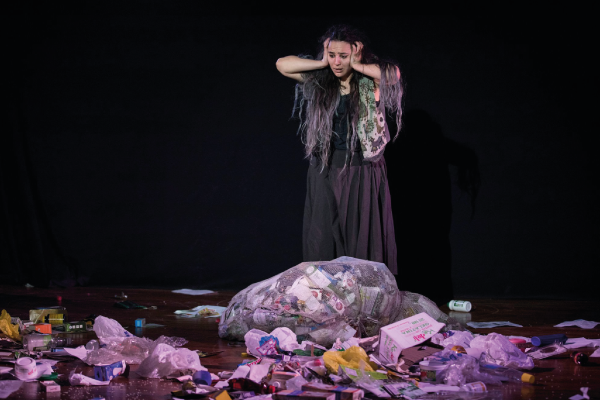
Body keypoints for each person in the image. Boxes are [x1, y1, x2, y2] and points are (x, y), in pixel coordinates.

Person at [276, 24, 403, 275]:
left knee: (359, 236)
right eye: (332, 55)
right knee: (323, 234)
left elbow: (393, 75)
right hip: (325, 167)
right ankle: (328, 290)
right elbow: (282, 65)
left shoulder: (369, 81)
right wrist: (321, 62)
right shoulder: (321, 79)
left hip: (361, 169)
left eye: (343, 56)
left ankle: (361, 290)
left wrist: (356, 65)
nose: (336, 62)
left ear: (356, 53)